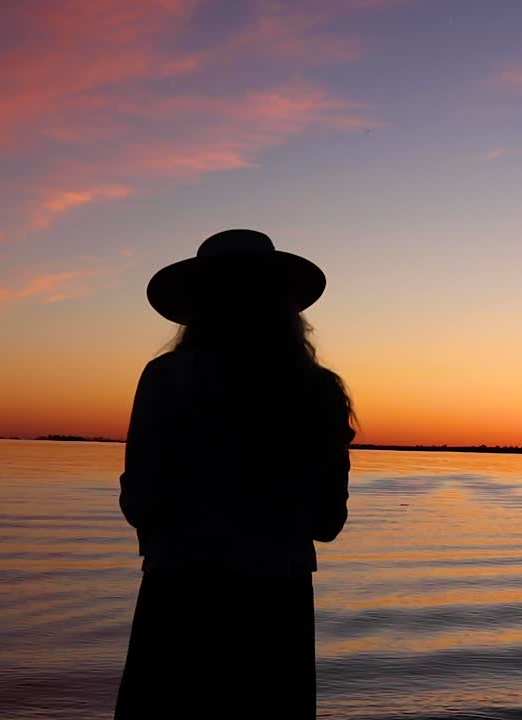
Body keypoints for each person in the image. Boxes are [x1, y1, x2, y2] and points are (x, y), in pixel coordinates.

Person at [115, 229, 355, 719]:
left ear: (197, 306)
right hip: (276, 598)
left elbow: (140, 500)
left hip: (179, 590)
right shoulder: (318, 390)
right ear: (286, 308)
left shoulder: (166, 378)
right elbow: (328, 522)